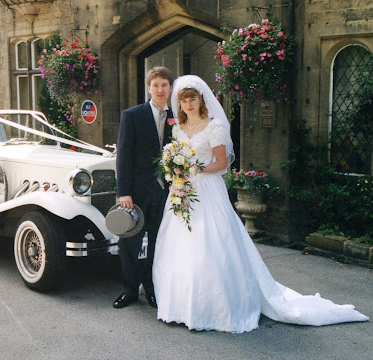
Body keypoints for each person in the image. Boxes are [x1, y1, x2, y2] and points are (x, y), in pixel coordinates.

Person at [152, 75, 369, 332]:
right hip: (183, 191)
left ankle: (215, 308)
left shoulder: (214, 126)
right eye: (184, 100)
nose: (188, 104)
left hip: (208, 189)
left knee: (211, 244)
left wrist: (194, 168)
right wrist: (177, 172)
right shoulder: (178, 128)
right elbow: (175, 156)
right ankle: (180, 306)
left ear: (202, 100)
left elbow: (222, 163)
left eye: (193, 99)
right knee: (180, 245)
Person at [113, 66, 174, 309]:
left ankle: (151, 288)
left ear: (170, 88)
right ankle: (129, 290)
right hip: (135, 192)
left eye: (165, 85)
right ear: (149, 87)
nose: (160, 90)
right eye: (156, 85)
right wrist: (123, 192)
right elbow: (123, 155)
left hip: (166, 193)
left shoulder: (178, 118)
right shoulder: (133, 115)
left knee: (159, 242)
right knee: (130, 242)